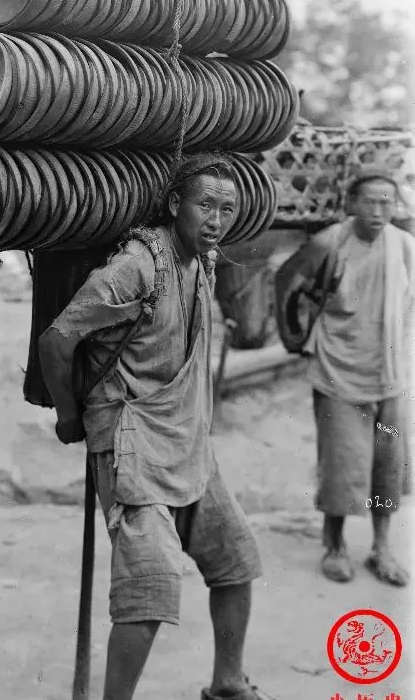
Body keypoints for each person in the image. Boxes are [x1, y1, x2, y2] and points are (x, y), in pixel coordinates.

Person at [39, 153, 267, 700]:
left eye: (227, 209)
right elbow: (56, 340)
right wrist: (69, 415)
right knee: (151, 587)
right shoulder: (139, 265)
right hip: (132, 442)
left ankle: (228, 684)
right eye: (205, 205)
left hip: (186, 438)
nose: (216, 220)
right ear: (174, 204)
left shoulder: (203, 261)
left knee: (236, 560)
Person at [284, 170, 414, 586]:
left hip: (390, 375)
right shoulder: (330, 242)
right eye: (369, 201)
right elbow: (286, 279)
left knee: (387, 467)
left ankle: (381, 548)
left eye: (386, 202)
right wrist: (292, 336)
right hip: (338, 371)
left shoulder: (405, 245)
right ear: (352, 203)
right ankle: (335, 545)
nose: (378, 210)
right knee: (341, 464)